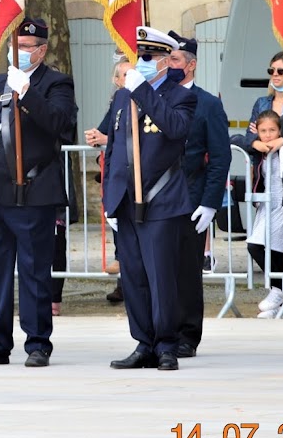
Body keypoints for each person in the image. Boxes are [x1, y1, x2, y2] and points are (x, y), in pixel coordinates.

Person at [0, 17, 77, 369]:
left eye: (26, 47)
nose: (19, 51)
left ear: (42, 50)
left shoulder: (56, 83)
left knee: (34, 270)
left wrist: (28, 93)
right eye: (16, 45)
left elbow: (60, 125)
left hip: (32, 192)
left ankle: (37, 342)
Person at [101, 27, 195, 372]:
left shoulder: (180, 96)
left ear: (165, 61)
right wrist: (109, 198)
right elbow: (113, 149)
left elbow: (175, 128)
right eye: (137, 56)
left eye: (147, 57)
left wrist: (143, 91)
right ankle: (143, 342)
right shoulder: (122, 98)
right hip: (126, 200)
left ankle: (166, 344)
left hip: (161, 199)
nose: (139, 63)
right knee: (134, 277)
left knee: (161, 277)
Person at [166, 32, 230, 357]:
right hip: (157, 198)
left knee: (187, 272)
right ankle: (160, 330)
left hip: (190, 197)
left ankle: (187, 335)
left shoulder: (208, 104)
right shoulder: (156, 97)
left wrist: (210, 203)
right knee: (158, 269)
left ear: (190, 65)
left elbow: (220, 157)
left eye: (174, 59)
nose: (168, 65)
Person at [245, 110, 283, 318]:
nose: (268, 134)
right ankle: (278, 293)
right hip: (267, 205)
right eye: (263, 131)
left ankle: (278, 293)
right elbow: (236, 139)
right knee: (257, 245)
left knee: (275, 249)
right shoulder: (261, 150)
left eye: (272, 130)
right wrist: (255, 143)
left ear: (280, 130)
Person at [88, 59, 132, 301]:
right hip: (118, 176)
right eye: (124, 75)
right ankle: (123, 285)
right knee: (121, 229)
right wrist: (96, 137)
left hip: (139, 177)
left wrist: (106, 139)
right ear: (116, 81)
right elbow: (105, 130)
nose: (129, 78)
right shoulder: (117, 101)